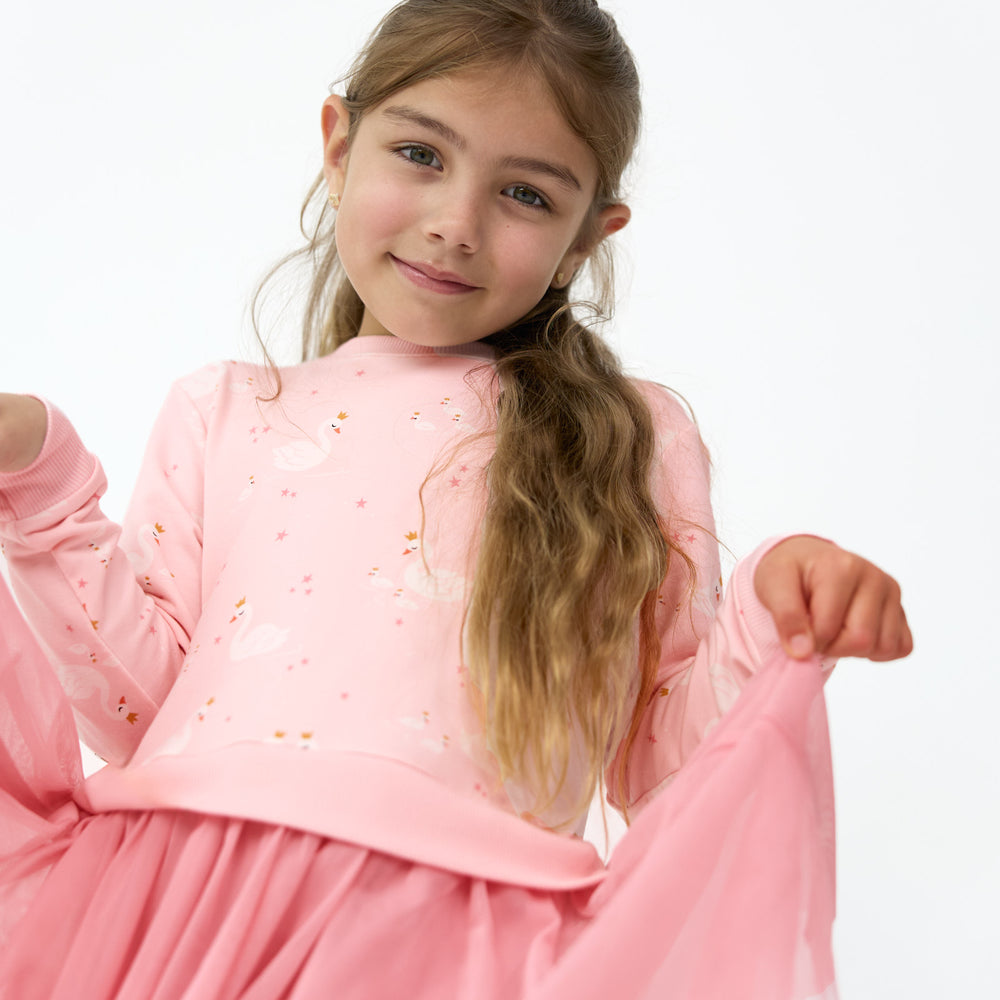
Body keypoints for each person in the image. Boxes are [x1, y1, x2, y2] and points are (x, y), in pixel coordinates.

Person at [0, 0, 911, 996]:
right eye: (421, 156)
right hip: (179, 912)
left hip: (445, 940)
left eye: (523, 193)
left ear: (585, 237)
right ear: (338, 144)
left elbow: (661, 758)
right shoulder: (229, 410)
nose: (456, 225)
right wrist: (39, 476)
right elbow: (140, 712)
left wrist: (768, 611)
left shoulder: (627, 440)